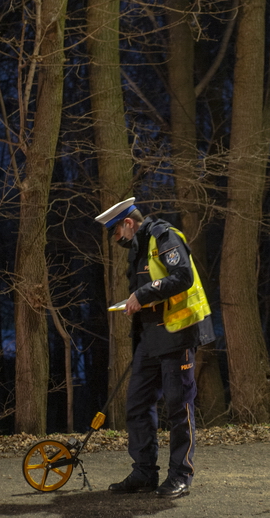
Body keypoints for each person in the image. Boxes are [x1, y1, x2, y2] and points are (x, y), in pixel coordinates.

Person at [95, 197, 215, 498]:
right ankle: (144, 472)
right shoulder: (139, 248)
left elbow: (183, 277)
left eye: (116, 232)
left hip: (178, 336)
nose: (116, 240)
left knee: (178, 407)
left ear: (128, 224)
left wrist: (142, 294)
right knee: (136, 405)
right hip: (149, 339)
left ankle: (181, 475)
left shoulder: (164, 236)